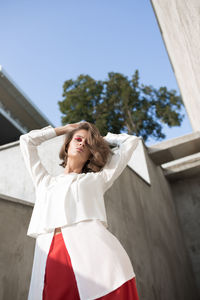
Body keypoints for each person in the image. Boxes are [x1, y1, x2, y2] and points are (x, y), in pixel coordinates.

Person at [19, 121, 141, 300]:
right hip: (50, 257)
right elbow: (26, 141)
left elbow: (131, 141)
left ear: (92, 153)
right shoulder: (44, 182)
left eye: (88, 143)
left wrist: (100, 139)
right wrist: (65, 129)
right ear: (67, 145)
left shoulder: (98, 180)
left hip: (93, 256)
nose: (82, 143)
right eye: (78, 139)